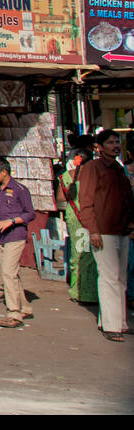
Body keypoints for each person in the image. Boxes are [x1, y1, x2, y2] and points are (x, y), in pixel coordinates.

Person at [78, 128, 134, 342]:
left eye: (117, 142)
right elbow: (86, 201)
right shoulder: (93, 168)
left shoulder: (118, 169)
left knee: (120, 279)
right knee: (110, 278)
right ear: (99, 147)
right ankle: (111, 326)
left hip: (121, 230)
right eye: (110, 142)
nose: (115, 145)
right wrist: (92, 230)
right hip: (103, 231)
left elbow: (127, 198)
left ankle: (117, 321)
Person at [0, 157, 36, 329]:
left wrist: (12, 221)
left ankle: (14, 313)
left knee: (8, 273)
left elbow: (30, 213)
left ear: (4, 172)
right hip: (0, 236)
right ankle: (25, 307)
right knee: (12, 273)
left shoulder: (20, 190)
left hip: (16, 235)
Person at [57, 148, 99, 304]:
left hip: (74, 218)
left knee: (78, 253)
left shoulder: (65, 177)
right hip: (92, 217)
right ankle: (91, 291)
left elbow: (60, 199)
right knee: (92, 255)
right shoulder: (95, 177)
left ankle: (76, 290)